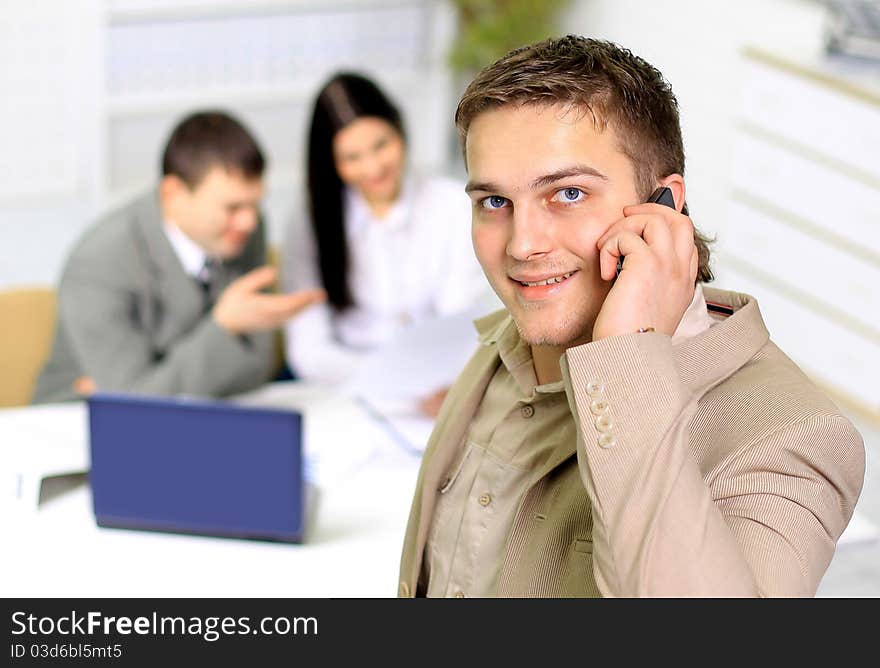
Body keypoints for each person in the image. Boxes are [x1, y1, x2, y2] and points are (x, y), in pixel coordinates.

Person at [398, 36, 865, 597]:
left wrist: (625, 352)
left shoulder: (793, 437)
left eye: (567, 194)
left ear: (664, 205)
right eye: (495, 202)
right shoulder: (507, 344)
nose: (522, 245)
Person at [33, 111, 325, 403]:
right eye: (232, 207)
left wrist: (161, 379)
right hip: (75, 419)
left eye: (255, 204)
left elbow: (257, 369)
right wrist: (225, 328)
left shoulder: (242, 230)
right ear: (173, 194)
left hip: (209, 411)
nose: (249, 221)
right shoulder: (99, 262)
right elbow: (136, 405)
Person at [282, 72, 490, 394]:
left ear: (400, 131)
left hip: (439, 385)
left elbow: (460, 324)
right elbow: (308, 351)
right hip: (344, 386)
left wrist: (430, 380)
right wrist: (395, 380)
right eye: (351, 158)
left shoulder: (452, 206)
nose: (372, 167)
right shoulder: (309, 221)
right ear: (331, 164)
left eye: (381, 145)